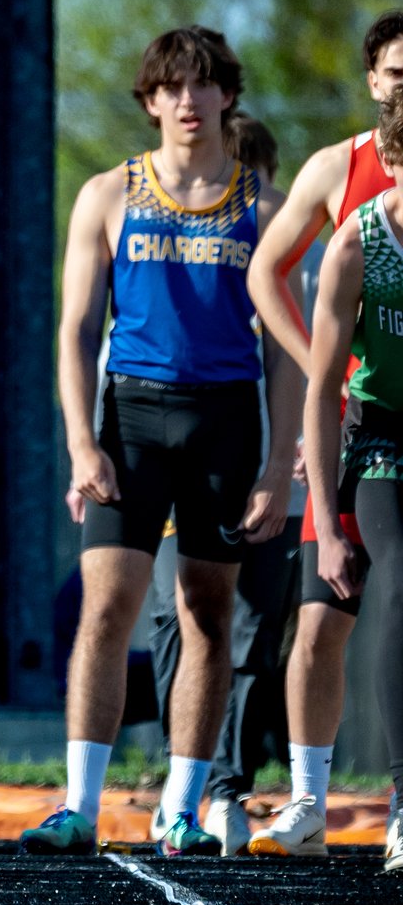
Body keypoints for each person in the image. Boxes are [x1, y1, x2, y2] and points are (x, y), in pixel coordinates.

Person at [23, 26, 298, 858]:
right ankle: (78, 804)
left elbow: (287, 351)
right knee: (107, 608)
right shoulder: (108, 194)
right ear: (149, 101)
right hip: (130, 416)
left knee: (206, 610)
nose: (188, 99)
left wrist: (278, 465)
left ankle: (182, 804)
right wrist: (80, 439)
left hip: (223, 420)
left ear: (226, 97)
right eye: (171, 86)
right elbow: (73, 330)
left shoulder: (265, 206)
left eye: (203, 84)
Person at [245, 11, 403, 857]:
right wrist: (321, 373)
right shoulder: (338, 169)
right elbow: (264, 269)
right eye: (396, 71)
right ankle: (307, 798)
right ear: (374, 80)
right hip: (353, 421)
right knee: (323, 614)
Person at [146, 114, 300, 854]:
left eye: (261, 182)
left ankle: (228, 787)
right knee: (176, 627)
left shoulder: (297, 250)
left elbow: (322, 353)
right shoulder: (177, 247)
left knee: (249, 637)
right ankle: (189, 781)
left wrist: (300, 452)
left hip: (274, 474)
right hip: (193, 470)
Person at [302, 86, 403, 875]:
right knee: (398, 586)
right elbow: (321, 388)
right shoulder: (358, 245)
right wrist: (328, 525)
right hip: (383, 442)